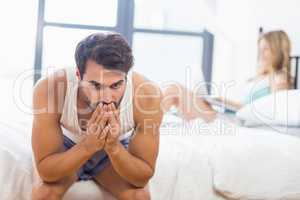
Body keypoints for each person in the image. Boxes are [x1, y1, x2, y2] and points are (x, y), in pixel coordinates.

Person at [31, 33, 163, 200]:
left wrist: (113, 147)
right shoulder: (49, 89)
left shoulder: (148, 95)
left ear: (126, 76)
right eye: (95, 85)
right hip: (67, 147)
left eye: (116, 85)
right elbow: (47, 173)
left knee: (139, 196)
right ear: (78, 75)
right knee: (45, 193)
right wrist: (88, 146)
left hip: (115, 152)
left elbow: (141, 179)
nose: (107, 98)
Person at [162, 30, 293, 121]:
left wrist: (223, 101)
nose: (261, 54)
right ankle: (148, 124)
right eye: (260, 49)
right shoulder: (262, 77)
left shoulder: (279, 77)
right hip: (228, 114)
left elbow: (271, 111)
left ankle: (146, 126)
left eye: (266, 49)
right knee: (176, 92)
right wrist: (220, 101)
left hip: (234, 121)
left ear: (277, 51)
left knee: (174, 90)